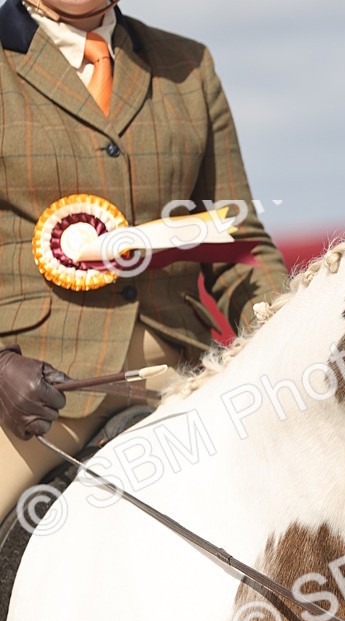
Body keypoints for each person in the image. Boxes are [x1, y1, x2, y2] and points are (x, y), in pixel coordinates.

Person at [0, 0, 288, 521]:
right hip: (37, 392)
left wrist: (289, 331)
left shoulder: (189, 66)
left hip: (181, 376)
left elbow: (237, 243)